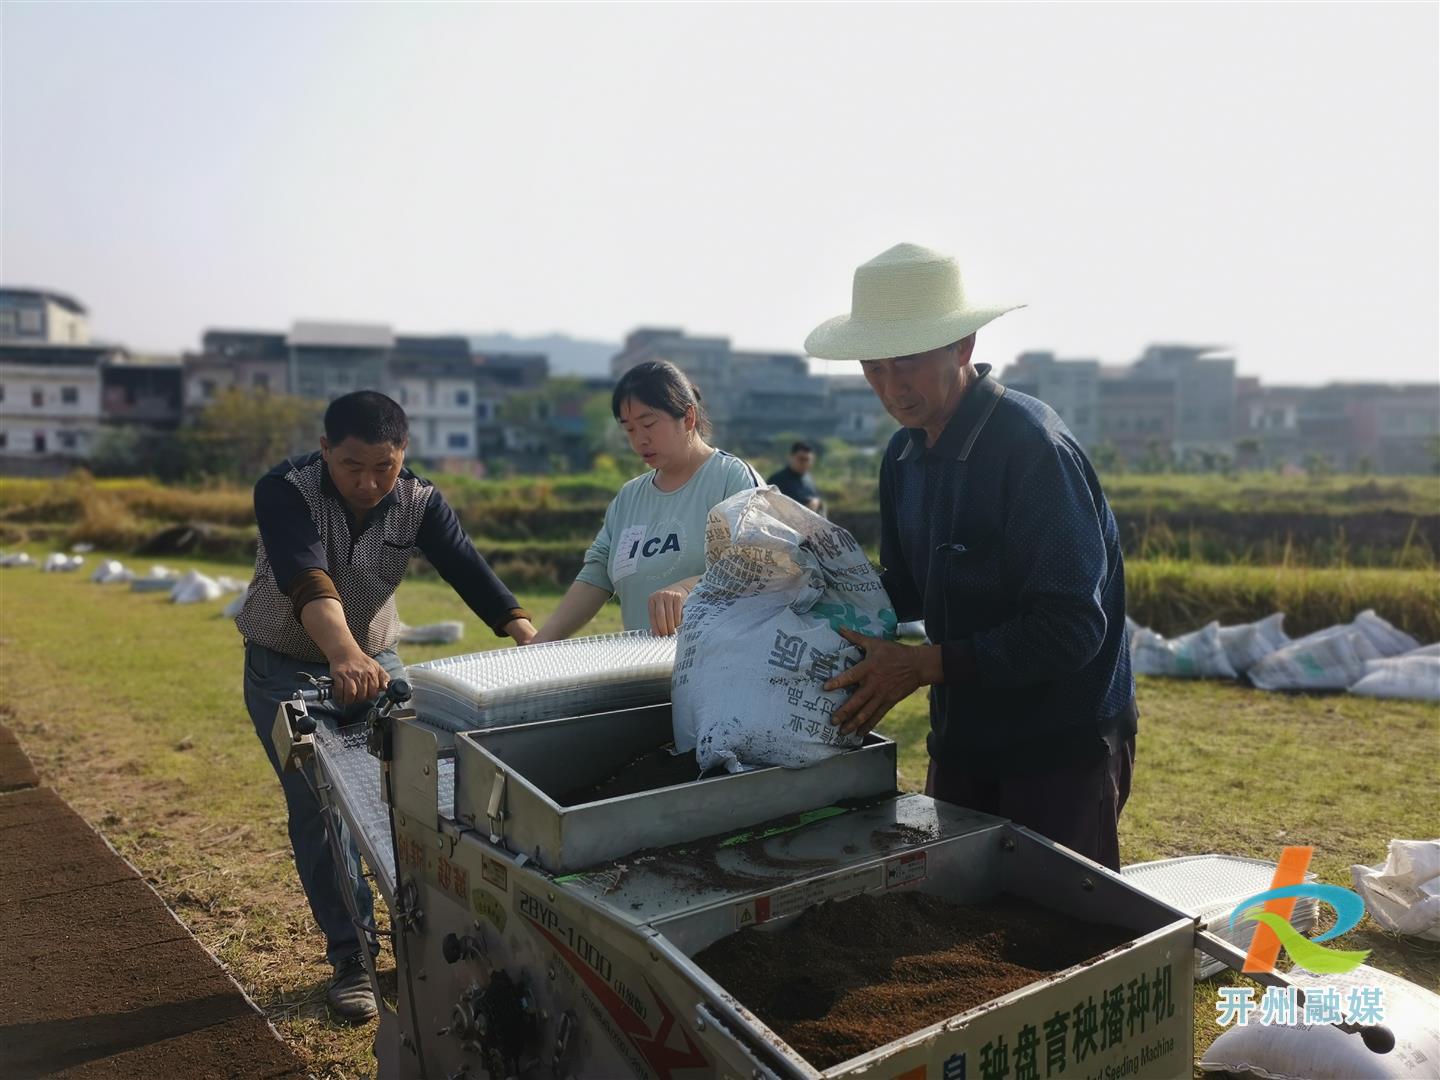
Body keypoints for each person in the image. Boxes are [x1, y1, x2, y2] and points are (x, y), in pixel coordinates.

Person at [807, 243, 1137, 871]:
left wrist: (924, 665)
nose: (891, 386)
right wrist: (807, 586)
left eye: (907, 363)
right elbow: (904, 588)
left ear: (963, 347)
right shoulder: (903, 455)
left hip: (1059, 738)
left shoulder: (1033, 449)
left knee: (1060, 924)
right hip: (964, 729)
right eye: (873, 368)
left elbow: (1072, 627)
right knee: (960, 902)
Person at [235, 390, 535, 1022]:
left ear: (404, 456)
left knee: (421, 791)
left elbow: (466, 566)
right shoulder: (285, 490)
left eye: (385, 467)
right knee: (324, 809)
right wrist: (341, 655)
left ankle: (425, 935)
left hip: (375, 656)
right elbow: (306, 578)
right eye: (353, 467)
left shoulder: (419, 500)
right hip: (287, 662)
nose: (370, 482)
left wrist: (529, 637)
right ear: (325, 451)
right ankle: (353, 956)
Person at [532, 360, 760, 640]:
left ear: (688, 418)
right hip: (643, 673)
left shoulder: (731, 479)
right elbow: (596, 575)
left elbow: (755, 566)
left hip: (718, 670)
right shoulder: (630, 497)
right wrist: (540, 642)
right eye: (629, 429)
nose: (639, 440)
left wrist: (687, 589)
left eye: (648, 424)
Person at [767, 441, 824, 513]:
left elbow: (817, 501)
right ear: (791, 457)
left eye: (807, 460)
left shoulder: (809, 479)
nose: (804, 463)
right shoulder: (777, 480)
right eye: (801, 459)